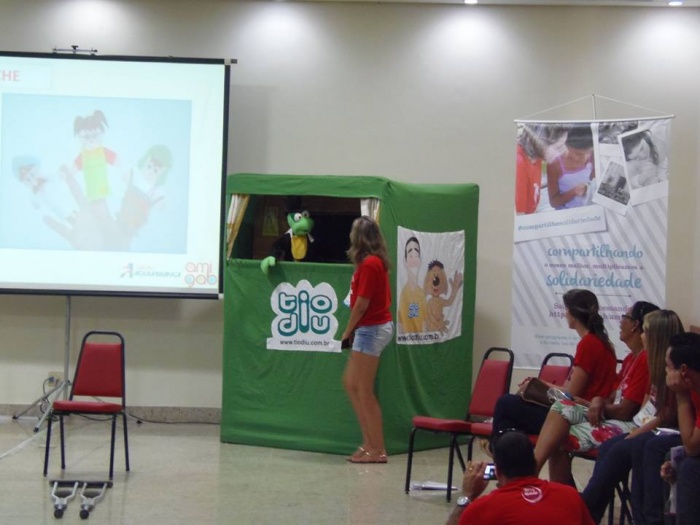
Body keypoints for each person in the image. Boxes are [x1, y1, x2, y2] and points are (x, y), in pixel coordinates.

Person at [534, 301, 660, 484]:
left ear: (635, 325)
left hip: (627, 422)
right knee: (560, 410)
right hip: (608, 413)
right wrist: (596, 401)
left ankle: (538, 478)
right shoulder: (630, 358)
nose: (620, 321)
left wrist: (594, 403)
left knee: (557, 436)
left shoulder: (644, 360)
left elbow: (626, 411)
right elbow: (612, 396)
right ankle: (543, 480)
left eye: (625, 317)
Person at [579, 309, 683, 524]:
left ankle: (588, 511)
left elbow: (666, 414)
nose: (641, 336)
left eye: (645, 331)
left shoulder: (673, 368)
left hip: (667, 429)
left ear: (656, 337)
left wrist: (636, 432)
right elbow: (647, 406)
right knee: (609, 447)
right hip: (647, 424)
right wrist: (637, 428)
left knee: (630, 446)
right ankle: (589, 513)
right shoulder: (653, 364)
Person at [487, 289, 618, 451]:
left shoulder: (588, 344)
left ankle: (501, 452)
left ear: (573, 314)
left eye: (566, 309)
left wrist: (540, 385)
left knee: (506, 404)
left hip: (577, 414)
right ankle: (507, 452)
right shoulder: (605, 344)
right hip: (584, 411)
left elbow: (571, 394)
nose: (565, 313)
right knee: (510, 416)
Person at [446, 430, 594, 525]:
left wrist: (467, 497)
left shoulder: (483, 509)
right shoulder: (570, 496)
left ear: (497, 471)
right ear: (534, 463)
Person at [341, 216, 394, 464]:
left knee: (363, 388)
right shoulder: (368, 263)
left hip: (372, 328)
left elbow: (362, 303)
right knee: (351, 383)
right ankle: (368, 443)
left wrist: (347, 331)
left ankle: (378, 448)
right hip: (368, 328)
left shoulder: (371, 264)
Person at [658, 332, 700, 525]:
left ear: (683, 370)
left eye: (668, 367)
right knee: (673, 461)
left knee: (689, 468)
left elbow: (692, 445)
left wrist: (681, 396)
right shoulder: (695, 388)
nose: (666, 372)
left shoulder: (688, 391)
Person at [515, 123, 569, 214]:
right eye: (559, 147)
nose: (563, 152)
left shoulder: (537, 157)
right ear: (541, 142)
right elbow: (519, 218)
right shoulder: (519, 165)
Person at [547, 124, 595, 210]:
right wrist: (573, 192)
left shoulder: (593, 156)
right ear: (567, 146)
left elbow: (593, 182)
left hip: (588, 210)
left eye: (588, 153)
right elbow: (553, 202)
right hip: (567, 213)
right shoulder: (555, 164)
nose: (584, 158)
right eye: (578, 154)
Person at [397, 236, 426, 334]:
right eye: (410, 255)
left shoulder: (421, 294)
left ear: (420, 261)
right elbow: (400, 326)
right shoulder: (403, 294)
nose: (414, 259)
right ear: (405, 262)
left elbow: (424, 324)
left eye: (416, 255)